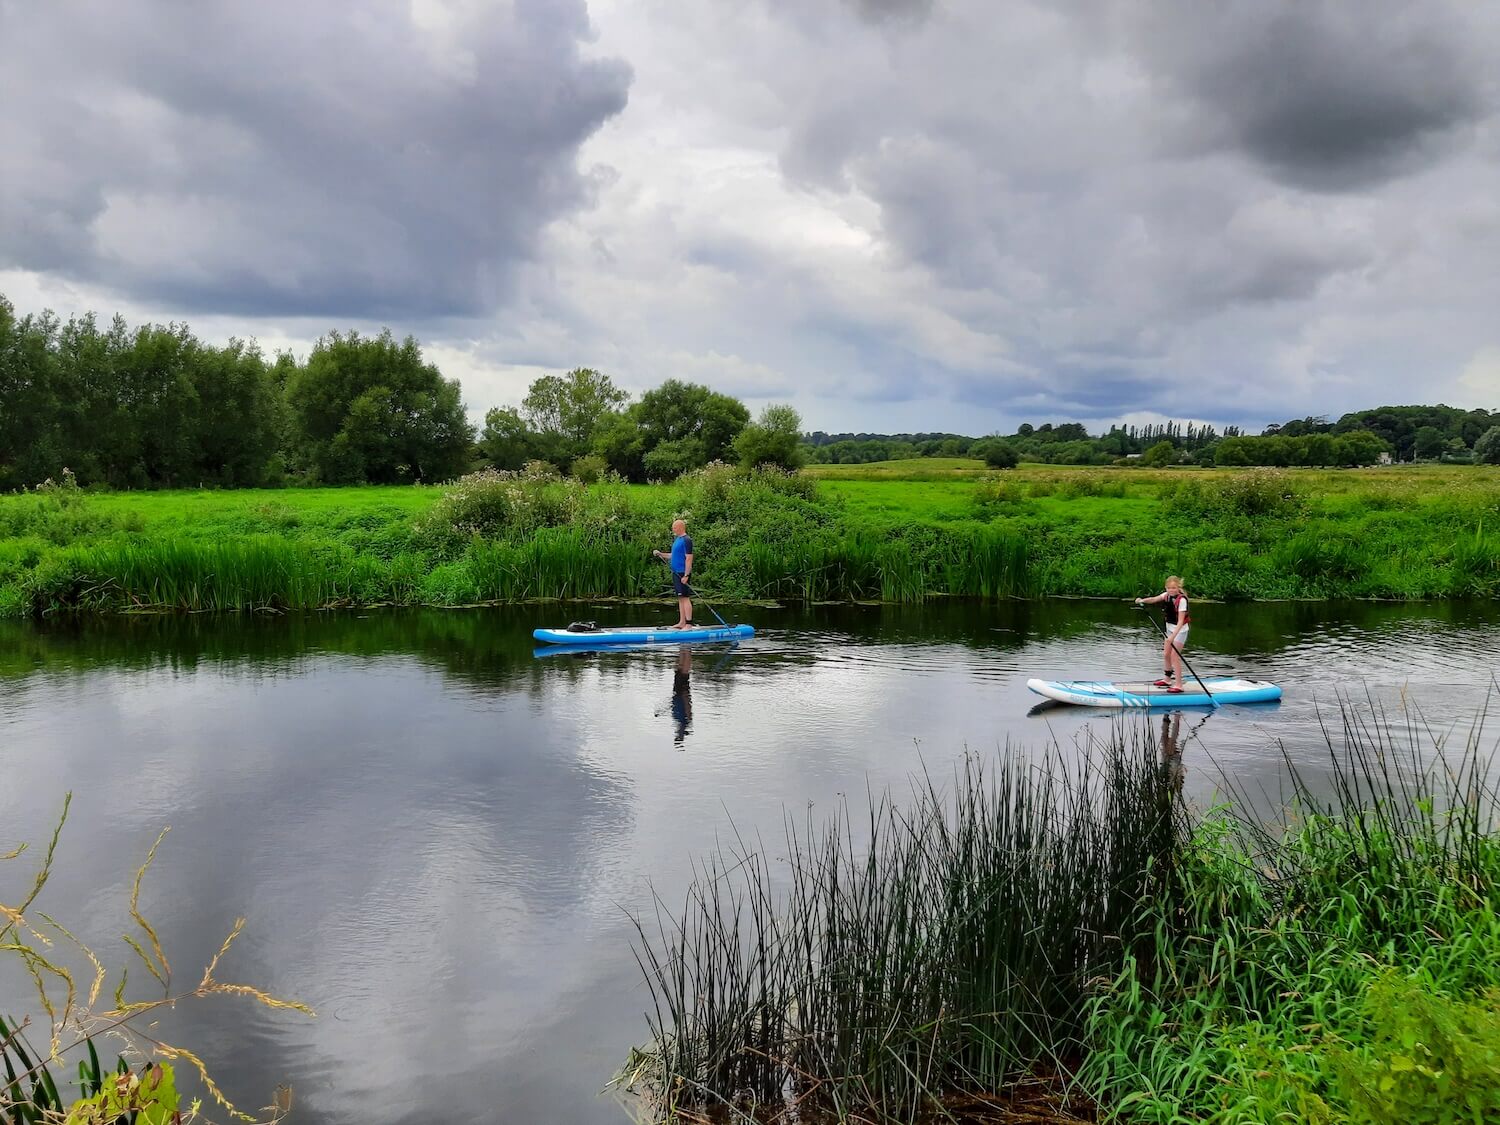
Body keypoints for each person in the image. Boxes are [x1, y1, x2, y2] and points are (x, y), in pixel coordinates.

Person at [1135, 576, 1190, 693]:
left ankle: (1179, 685)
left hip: (1180, 631)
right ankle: (1167, 679)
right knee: (1166, 654)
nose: (1171, 590)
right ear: (1166, 588)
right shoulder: (1166, 595)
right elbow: (1153, 599)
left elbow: (1180, 622)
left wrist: (1172, 637)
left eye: (1174, 588)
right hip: (1169, 629)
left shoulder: (1182, 600)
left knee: (1174, 656)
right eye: (1169, 588)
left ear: (1178, 587)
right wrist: (1142, 600)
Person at [652, 518, 694, 629]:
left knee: (685, 597)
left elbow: (689, 558)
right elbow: (672, 555)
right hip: (676, 573)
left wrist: (686, 575)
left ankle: (688, 624)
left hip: (682, 573)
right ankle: (682, 622)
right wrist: (660, 554)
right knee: (680, 598)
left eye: (674, 527)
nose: (673, 529)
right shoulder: (677, 540)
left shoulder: (687, 540)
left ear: (680, 527)